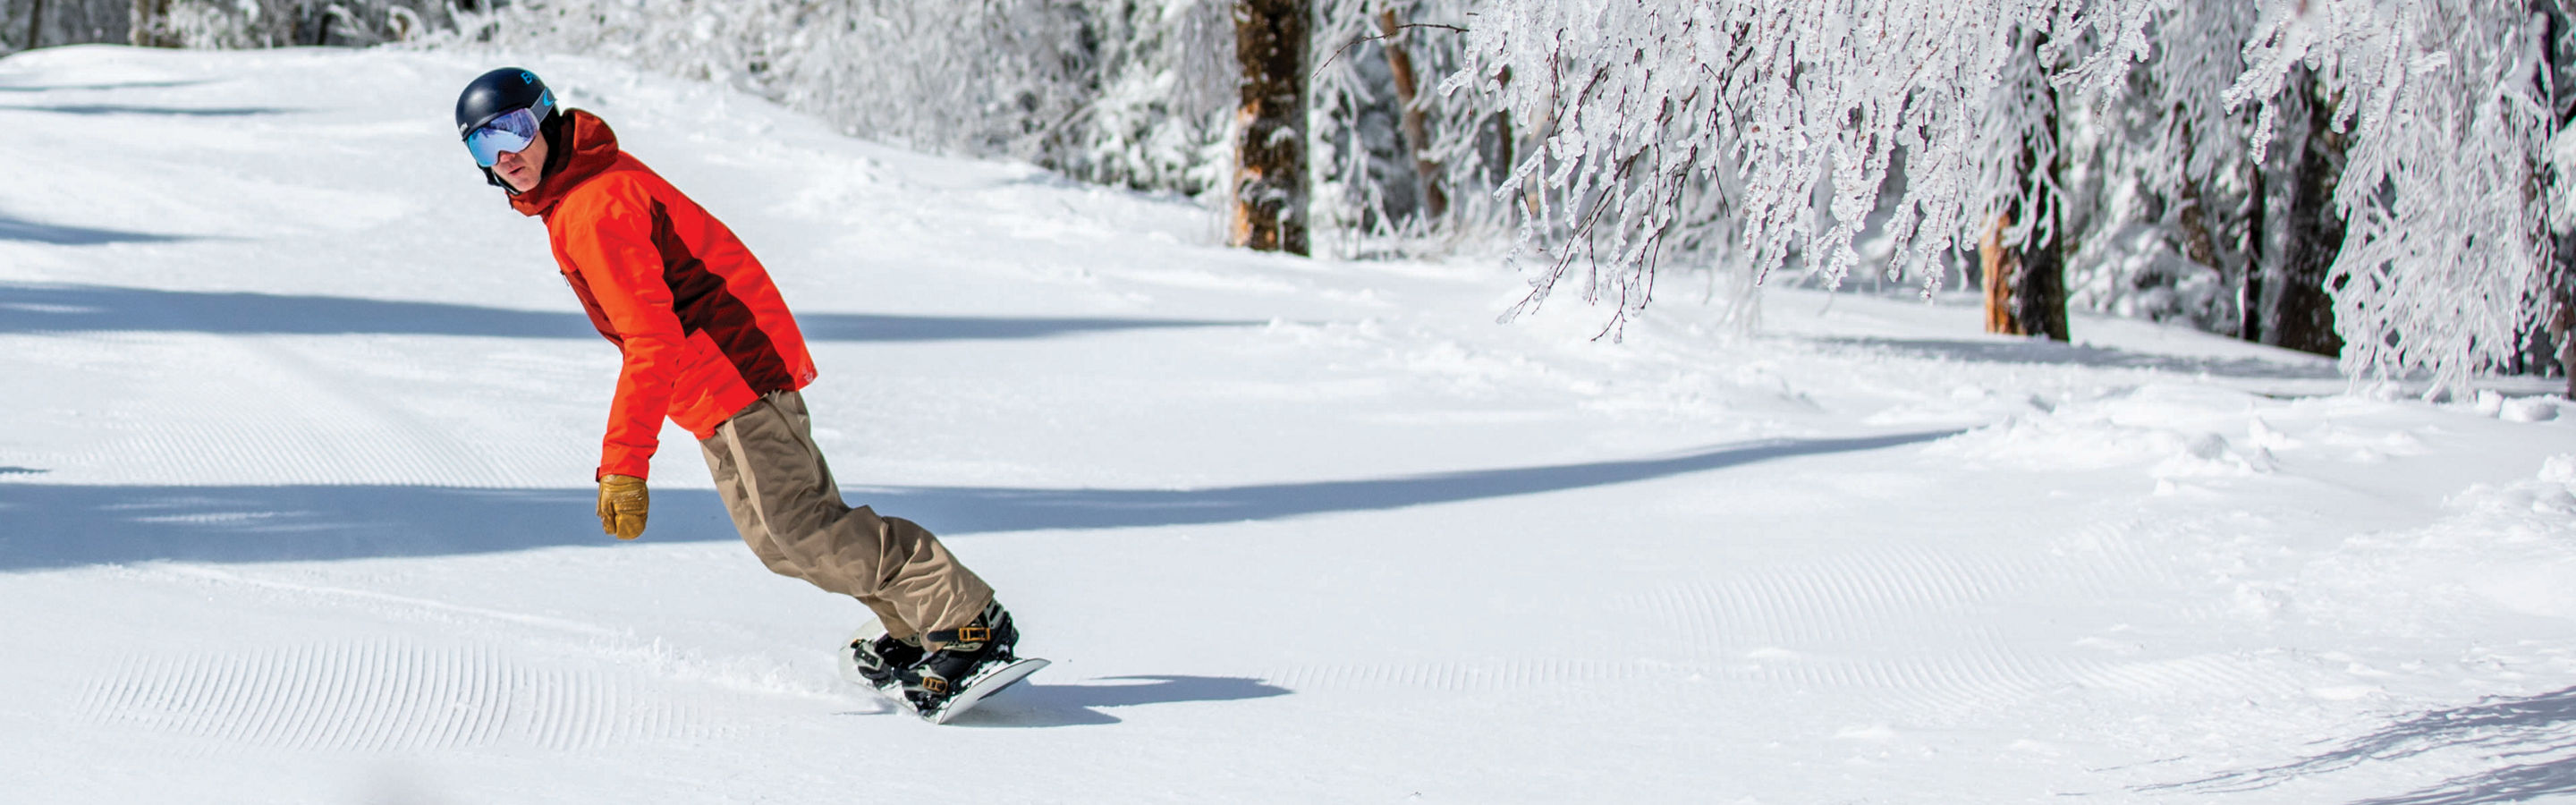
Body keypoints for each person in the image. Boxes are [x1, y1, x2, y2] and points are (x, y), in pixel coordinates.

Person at [453, 67, 1018, 711]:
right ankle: (916, 624)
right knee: (780, 543)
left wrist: (624, 466)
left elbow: (651, 340)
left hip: (736, 376)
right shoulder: (574, 198)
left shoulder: (594, 205)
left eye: (514, 130)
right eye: (482, 145)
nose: (505, 156)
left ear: (547, 120)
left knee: (804, 529)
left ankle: (966, 619)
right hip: (707, 393)